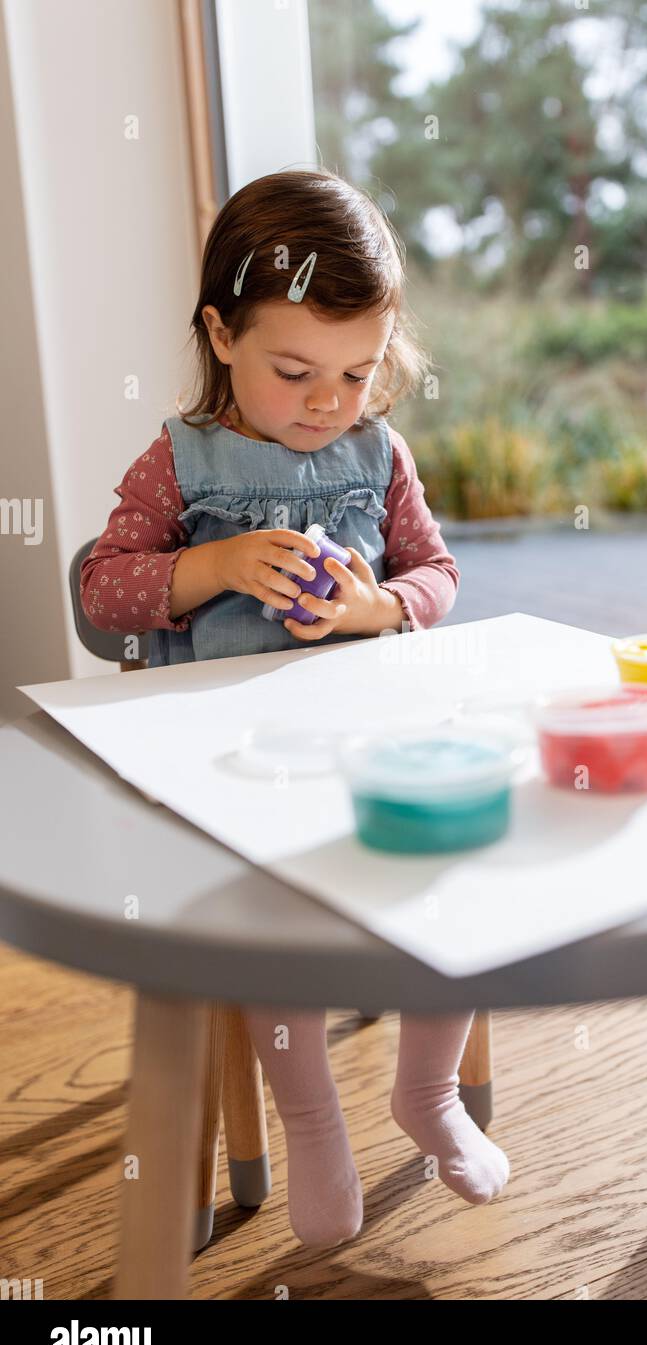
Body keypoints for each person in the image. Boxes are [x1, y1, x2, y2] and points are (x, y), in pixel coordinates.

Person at [81, 167, 509, 1247]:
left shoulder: (381, 455)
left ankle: (428, 1092)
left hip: (372, 748)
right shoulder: (180, 463)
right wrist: (215, 562)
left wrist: (376, 610)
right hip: (234, 770)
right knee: (272, 933)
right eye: (294, 370)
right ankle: (310, 1116)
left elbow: (438, 576)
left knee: (451, 886)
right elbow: (104, 592)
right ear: (222, 335)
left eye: (357, 371)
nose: (328, 401)